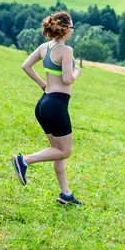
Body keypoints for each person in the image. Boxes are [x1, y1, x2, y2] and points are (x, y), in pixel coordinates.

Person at [11, 11, 82, 205]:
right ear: (66, 29)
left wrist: (43, 84)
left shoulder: (45, 48)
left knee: (56, 149)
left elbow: (26, 65)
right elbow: (68, 79)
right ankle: (23, 160)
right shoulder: (66, 51)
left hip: (43, 104)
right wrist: (77, 71)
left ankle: (65, 194)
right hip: (56, 106)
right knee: (64, 151)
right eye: (72, 28)